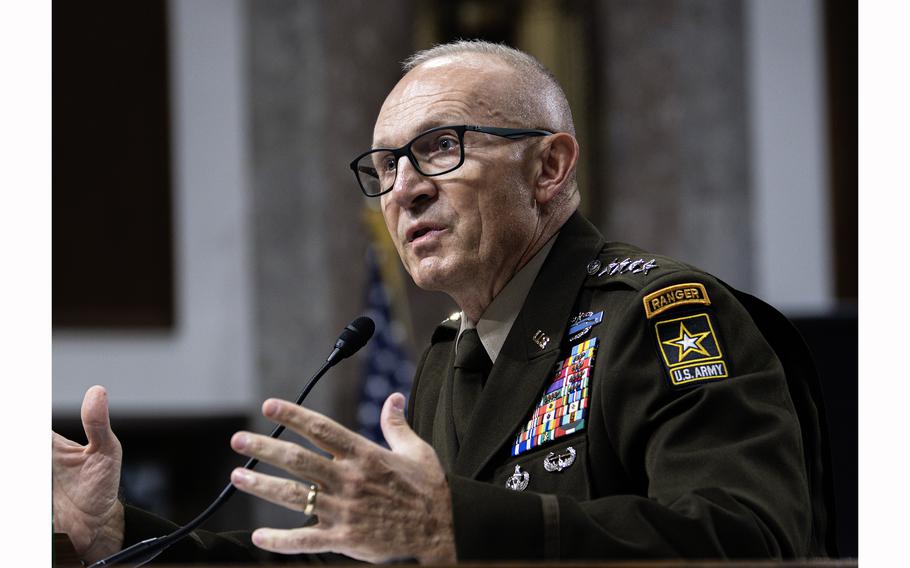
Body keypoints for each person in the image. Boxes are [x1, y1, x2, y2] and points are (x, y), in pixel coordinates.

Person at [52, 40, 832, 564]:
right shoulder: (449, 358)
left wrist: (458, 526)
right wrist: (117, 531)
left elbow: (752, 540)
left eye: (439, 148)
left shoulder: (661, 317)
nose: (405, 190)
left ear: (550, 167)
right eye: (386, 166)